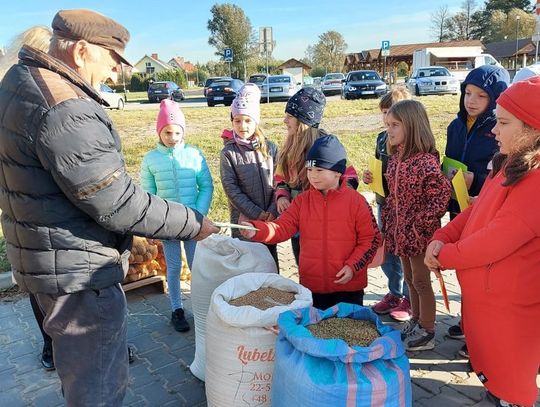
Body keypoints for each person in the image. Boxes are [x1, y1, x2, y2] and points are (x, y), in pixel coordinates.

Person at [0, 9, 218, 406]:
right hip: (79, 276)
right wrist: (194, 222)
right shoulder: (66, 108)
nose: (117, 73)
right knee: (98, 388)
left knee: (81, 377)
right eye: (113, 60)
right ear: (82, 51)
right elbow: (118, 202)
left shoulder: (20, 81)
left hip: (52, 263)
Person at [425, 77, 540, 407]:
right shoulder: (506, 165)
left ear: (534, 130)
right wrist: (442, 236)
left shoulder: (536, 180)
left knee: (513, 380)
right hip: (491, 301)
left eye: (503, 123)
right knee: (495, 371)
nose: (494, 130)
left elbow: (494, 240)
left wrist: (444, 255)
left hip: (515, 310)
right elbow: (475, 212)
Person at [240, 135, 381, 309]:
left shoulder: (356, 202)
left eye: (319, 170)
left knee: (348, 333)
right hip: (313, 288)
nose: (313, 176)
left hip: (349, 288)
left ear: (338, 172)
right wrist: (256, 230)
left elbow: (371, 239)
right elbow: (281, 227)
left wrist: (353, 266)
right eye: (309, 170)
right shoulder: (302, 201)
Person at [443, 65, 509, 352]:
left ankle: (479, 331)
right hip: (459, 206)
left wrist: (477, 180)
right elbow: (450, 159)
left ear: (494, 100)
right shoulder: (456, 126)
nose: (471, 101)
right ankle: (467, 319)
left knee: (483, 273)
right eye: (467, 93)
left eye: (480, 96)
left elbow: (505, 173)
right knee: (463, 269)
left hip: (487, 208)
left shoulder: (498, 129)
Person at [381, 100, 451, 352]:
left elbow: (441, 196)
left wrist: (419, 226)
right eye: (387, 124)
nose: (389, 129)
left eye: (395, 125)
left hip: (419, 238)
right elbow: (392, 196)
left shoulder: (425, 162)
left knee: (421, 282)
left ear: (412, 126)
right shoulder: (396, 158)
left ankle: (428, 329)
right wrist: (390, 222)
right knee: (410, 280)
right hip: (402, 235)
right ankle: (417, 320)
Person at [140, 99, 213, 332]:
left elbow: (206, 186)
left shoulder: (194, 154)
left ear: (183, 132)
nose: (172, 137)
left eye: (177, 132)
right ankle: (176, 309)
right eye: (167, 132)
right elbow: (148, 196)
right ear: (159, 132)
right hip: (167, 224)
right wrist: (153, 225)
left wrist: (199, 215)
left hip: (192, 222)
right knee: (172, 267)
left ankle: (203, 305)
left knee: (196, 265)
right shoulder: (151, 160)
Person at [274, 87, 358, 264]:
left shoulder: (326, 146)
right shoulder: (289, 147)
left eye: (289, 116)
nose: (284, 121)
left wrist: (339, 199)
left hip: (323, 222)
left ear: (303, 120)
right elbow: (280, 177)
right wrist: (282, 195)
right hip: (297, 219)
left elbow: (349, 175)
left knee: (326, 264)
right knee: (303, 263)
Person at [363, 87, 412, 322]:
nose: (385, 119)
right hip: (384, 203)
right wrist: (369, 177)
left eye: (390, 113)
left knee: (407, 253)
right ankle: (394, 293)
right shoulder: (381, 138)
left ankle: (410, 298)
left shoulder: (412, 142)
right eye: (383, 113)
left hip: (404, 208)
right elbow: (377, 166)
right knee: (389, 251)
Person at [219, 83, 279, 265]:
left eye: (247, 120)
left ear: (256, 121)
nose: (242, 126)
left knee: (270, 262)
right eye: (237, 120)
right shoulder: (228, 153)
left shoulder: (270, 148)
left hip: (269, 218)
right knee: (248, 265)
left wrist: (271, 211)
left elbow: (280, 181)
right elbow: (231, 189)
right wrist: (256, 213)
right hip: (244, 221)